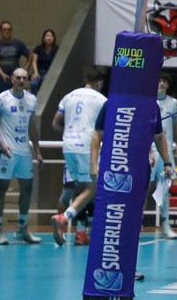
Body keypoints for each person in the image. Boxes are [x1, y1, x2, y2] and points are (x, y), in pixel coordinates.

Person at [52, 97, 175, 257]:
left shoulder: (151, 106)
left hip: (139, 168)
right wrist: (93, 163)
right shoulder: (111, 104)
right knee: (112, 210)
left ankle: (127, 258)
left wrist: (166, 162)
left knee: (134, 212)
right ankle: (104, 252)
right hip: (115, 167)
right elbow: (97, 134)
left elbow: (157, 136)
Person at [51, 70, 106, 245]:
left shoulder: (69, 96)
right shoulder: (101, 100)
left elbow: (55, 123)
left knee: (80, 190)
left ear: (86, 79)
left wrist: (69, 133)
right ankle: (64, 218)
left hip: (68, 145)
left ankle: (81, 233)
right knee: (92, 189)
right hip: (86, 147)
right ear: (100, 83)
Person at [0, 67, 43, 244]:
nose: (21, 81)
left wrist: (38, 151)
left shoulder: (31, 99)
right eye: (18, 77)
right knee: (1, 190)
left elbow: (32, 128)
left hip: (24, 152)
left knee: (27, 189)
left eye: (24, 78)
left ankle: (22, 228)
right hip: (7, 152)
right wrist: (0, 144)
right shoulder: (1, 99)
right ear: (12, 79)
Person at [148, 74, 177, 239]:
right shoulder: (147, 101)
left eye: (164, 81)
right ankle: (135, 224)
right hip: (149, 151)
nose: (161, 83)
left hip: (165, 152)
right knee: (144, 188)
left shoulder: (173, 102)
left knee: (164, 188)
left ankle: (165, 225)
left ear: (168, 85)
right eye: (159, 80)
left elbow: (175, 124)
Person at [0, 21, 35, 95]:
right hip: (0, 74)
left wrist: (24, 70)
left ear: (11, 31)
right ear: (0, 31)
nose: (7, 31)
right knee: (0, 95)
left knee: (15, 94)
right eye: (4, 29)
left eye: (9, 29)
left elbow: (29, 56)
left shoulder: (19, 44)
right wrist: (2, 74)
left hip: (14, 73)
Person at [31, 29, 59, 95]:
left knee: (45, 83)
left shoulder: (57, 49)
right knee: (34, 83)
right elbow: (34, 61)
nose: (49, 38)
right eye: (47, 36)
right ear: (43, 38)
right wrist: (35, 72)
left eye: (51, 36)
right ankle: (34, 99)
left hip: (50, 73)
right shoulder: (38, 48)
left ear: (54, 38)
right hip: (39, 71)